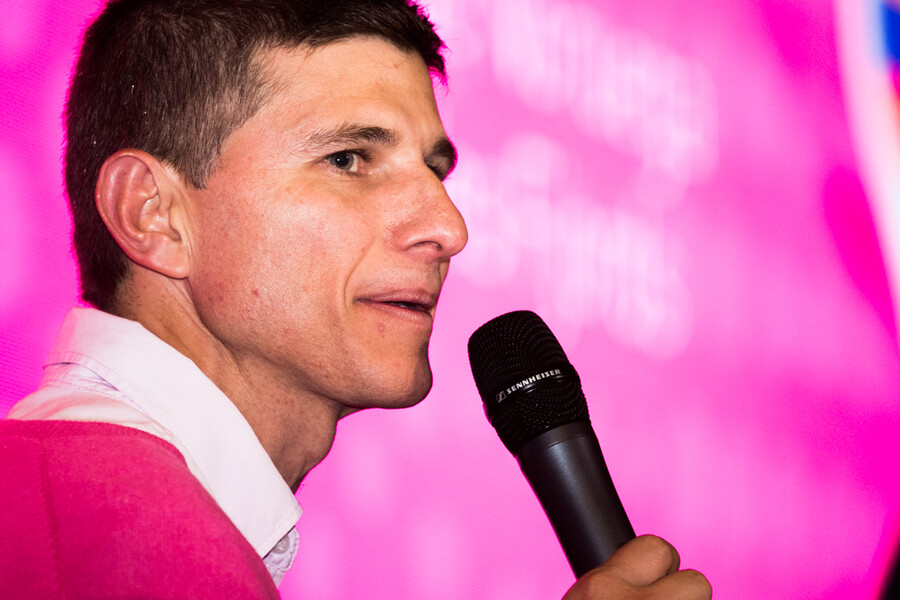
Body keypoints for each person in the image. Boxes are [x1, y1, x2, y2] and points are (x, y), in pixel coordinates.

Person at [0, 1, 711, 598]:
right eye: (349, 160)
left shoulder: (84, 506)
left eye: (435, 170)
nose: (448, 228)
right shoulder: (125, 547)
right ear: (152, 213)